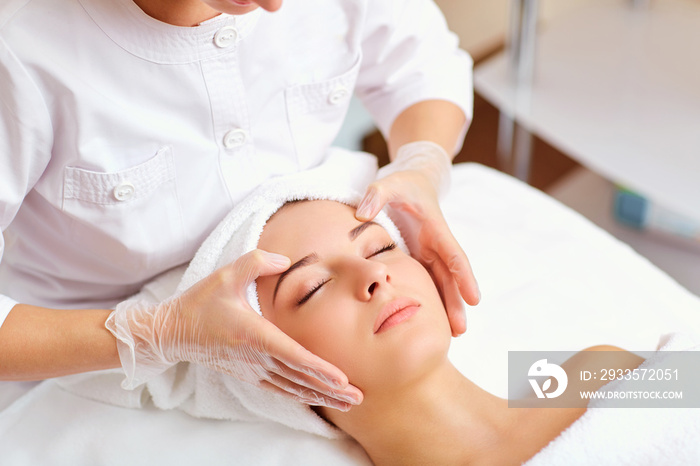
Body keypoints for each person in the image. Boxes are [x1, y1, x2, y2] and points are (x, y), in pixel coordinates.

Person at [0, 0, 480, 409]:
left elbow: (423, 66)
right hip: (63, 367)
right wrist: (154, 333)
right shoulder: (20, 47)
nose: (275, 5)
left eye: (380, 248)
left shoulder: (546, 380)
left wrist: (422, 160)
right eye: (309, 288)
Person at [255, 198, 650, 465]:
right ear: (270, 370)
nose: (375, 273)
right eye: (313, 288)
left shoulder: (602, 371)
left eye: (380, 248)